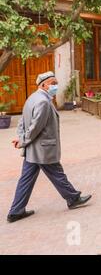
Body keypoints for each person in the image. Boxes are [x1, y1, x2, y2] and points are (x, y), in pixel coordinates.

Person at [7, 71, 91, 223]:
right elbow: (35, 127)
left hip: (33, 151)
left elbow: (22, 122)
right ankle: (73, 198)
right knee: (58, 175)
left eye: (56, 82)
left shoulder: (32, 98)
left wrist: (21, 138)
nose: (55, 86)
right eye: (53, 83)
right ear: (44, 85)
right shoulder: (43, 102)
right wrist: (22, 141)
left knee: (26, 180)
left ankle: (16, 211)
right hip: (43, 150)